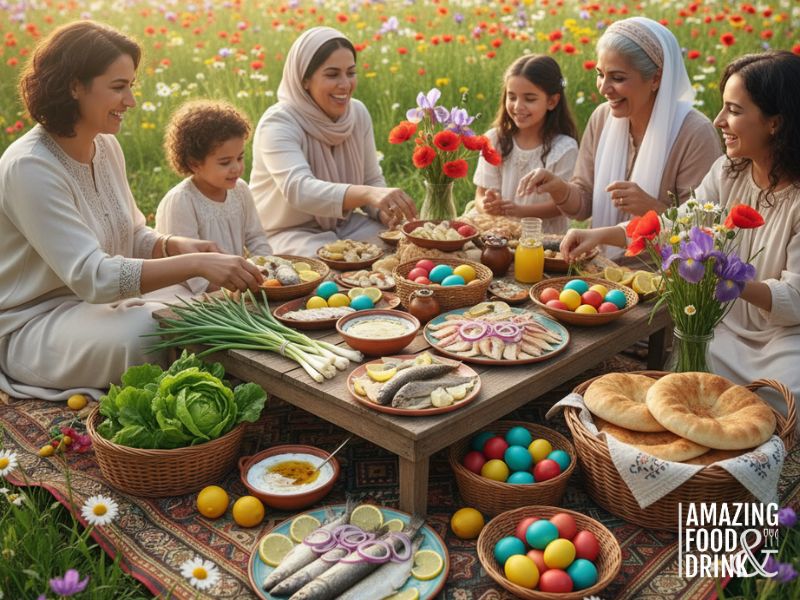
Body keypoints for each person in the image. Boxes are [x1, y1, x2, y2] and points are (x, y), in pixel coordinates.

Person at [0, 21, 263, 401]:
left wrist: (175, 246)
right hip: (33, 326)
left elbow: (132, 235)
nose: (131, 101)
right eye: (118, 87)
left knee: (195, 308)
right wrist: (196, 266)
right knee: (151, 327)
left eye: (131, 86)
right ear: (75, 86)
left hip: (98, 309)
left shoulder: (106, 146)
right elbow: (93, 276)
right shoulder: (30, 167)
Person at [561, 51, 800, 414]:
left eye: (734, 111)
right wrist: (602, 234)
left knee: (776, 400)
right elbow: (678, 225)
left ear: (775, 123)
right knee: (691, 385)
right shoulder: (727, 172)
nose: (719, 120)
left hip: (785, 339)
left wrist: (728, 278)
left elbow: (796, 297)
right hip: (724, 328)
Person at [517, 17, 721, 248]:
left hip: (659, 274)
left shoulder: (695, 134)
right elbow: (583, 205)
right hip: (598, 264)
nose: (604, 88)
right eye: (600, 74)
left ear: (656, 78)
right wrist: (558, 187)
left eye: (617, 78)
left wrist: (650, 208)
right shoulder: (602, 118)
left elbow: (703, 228)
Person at [249, 26, 417, 256]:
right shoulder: (278, 123)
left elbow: (371, 179)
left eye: (350, 72)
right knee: (328, 273)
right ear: (305, 80)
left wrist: (382, 212)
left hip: (344, 225)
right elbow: (299, 189)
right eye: (332, 74)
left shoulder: (357, 113)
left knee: (406, 249)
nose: (345, 84)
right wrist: (368, 194)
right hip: (285, 232)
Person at [156, 100, 272, 293]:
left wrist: (266, 270)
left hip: (233, 284)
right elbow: (189, 268)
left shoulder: (240, 190)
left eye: (240, 157)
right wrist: (231, 289)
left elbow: (256, 238)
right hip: (188, 291)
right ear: (194, 164)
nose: (236, 168)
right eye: (225, 162)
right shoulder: (182, 201)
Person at [468, 54, 579, 234]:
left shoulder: (564, 148)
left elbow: (561, 205)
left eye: (529, 99)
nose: (518, 106)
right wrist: (488, 204)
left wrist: (520, 212)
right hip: (496, 229)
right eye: (512, 97)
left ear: (552, 101)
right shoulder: (495, 139)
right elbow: (480, 194)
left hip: (540, 234)